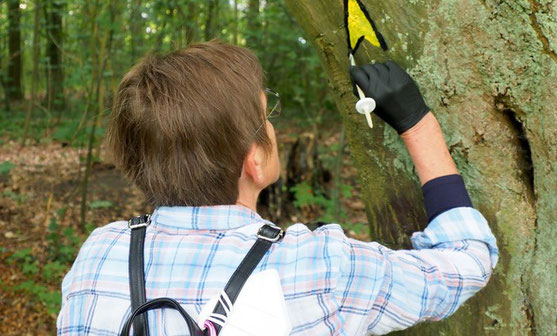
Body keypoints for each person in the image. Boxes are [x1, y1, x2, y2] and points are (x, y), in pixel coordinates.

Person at [57, 40, 498, 335]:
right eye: (268, 115)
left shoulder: (101, 255)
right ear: (252, 158)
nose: (273, 126)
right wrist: (416, 123)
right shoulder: (316, 267)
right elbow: (469, 260)